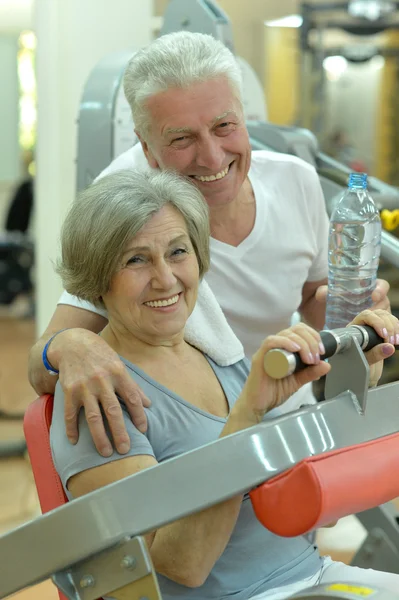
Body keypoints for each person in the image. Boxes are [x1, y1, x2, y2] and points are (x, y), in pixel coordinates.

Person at [29, 31, 390, 457]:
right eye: (181, 139)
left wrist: (352, 308)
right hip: (196, 441)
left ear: (244, 118)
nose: (213, 158)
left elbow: (312, 299)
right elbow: (41, 367)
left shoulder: (296, 181)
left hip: (293, 419)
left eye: (224, 127)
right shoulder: (129, 200)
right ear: (146, 148)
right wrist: (70, 345)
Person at [50, 168, 399, 599]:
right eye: (135, 259)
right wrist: (246, 415)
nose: (165, 278)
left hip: (310, 576)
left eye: (178, 252)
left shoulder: (218, 357)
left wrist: (359, 376)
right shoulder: (101, 397)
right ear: (98, 278)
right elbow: (182, 565)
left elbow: (319, 509)